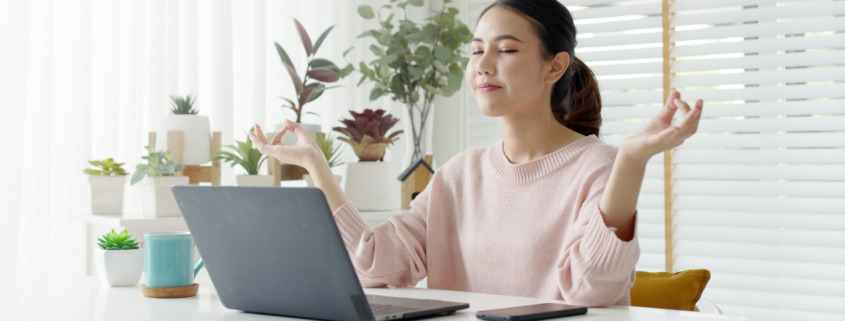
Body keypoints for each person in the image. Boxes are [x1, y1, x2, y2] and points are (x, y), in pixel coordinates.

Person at [249, 0, 703, 307]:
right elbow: (372, 266)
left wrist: (631, 159)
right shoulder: (458, 175)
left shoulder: (596, 166)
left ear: (555, 66)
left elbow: (590, 293)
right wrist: (316, 166)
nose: (483, 64)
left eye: (505, 49)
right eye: (476, 51)